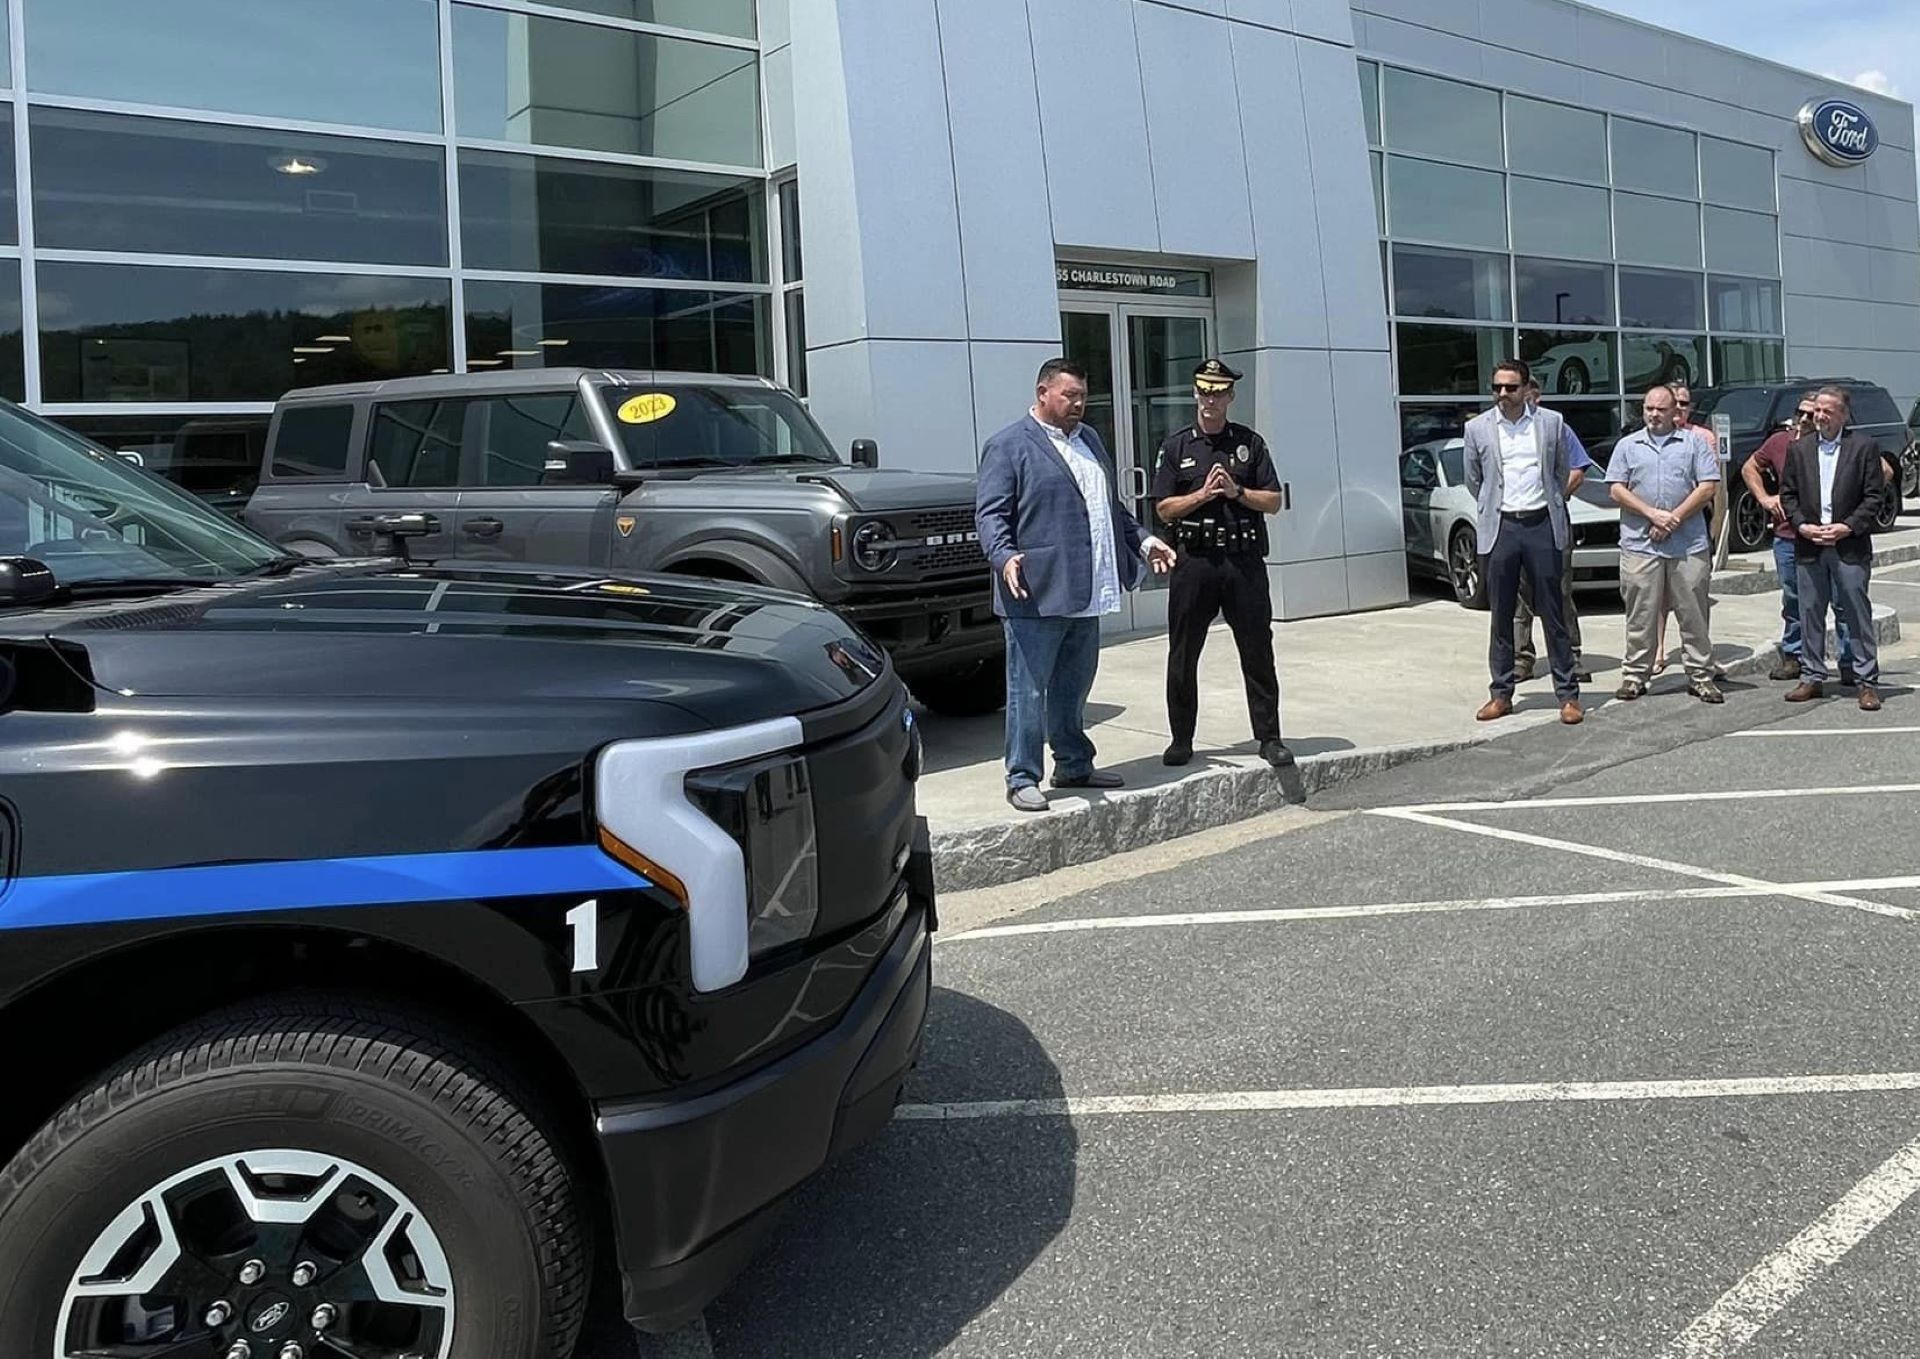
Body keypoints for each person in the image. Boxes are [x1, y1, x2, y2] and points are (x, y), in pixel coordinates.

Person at [975, 358, 1179, 812]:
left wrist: (1145, 543)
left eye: (1083, 395)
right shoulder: (1008, 446)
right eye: (1070, 395)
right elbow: (990, 515)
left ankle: (1073, 763)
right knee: (1027, 691)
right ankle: (1022, 776)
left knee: (1073, 686)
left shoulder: (1089, 441)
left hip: (1087, 590)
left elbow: (1112, 508)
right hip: (1036, 591)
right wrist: (1004, 556)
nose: (1079, 404)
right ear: (1043, 392)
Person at [1152, 359, 1290, 769]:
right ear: (1195, 393)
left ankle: (1269, 737)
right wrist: (1201, 495)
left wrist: (1235, 490)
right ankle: (1181, 739)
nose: (1211, 399)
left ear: (1230, 396)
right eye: (1204, 391)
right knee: (1183, 653)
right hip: (1195, 562)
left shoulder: (1250, 443)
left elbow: (1274, 501)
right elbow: (1163, 508)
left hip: (1242, 561)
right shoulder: (1176, 446)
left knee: (1257, 651)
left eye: (1219, 392)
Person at [1462, 359, 1584, 725]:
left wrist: (1551, 505)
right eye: (1497, 387)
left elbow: (1561, 472)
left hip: (1541, 524)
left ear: (1526, 388)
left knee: (1554, 613)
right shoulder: (1477, 428)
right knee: (1501, 615)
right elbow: (1475, 480)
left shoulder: (1551, 424)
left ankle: (1568, 695)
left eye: (1510, 388)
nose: (1503, 394)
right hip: (1502, 528)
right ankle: (1501, 693)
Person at [1608, 385, 1723, 702]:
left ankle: (1700, 675)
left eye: (1661, 409)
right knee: (1640, 613)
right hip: (1640, 544)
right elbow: (1616, 489)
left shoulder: (1694, 445)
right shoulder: (1628, 446)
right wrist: (1652, 515)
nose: (1654, 415)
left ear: (1676, 412)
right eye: (1649, 409)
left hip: (1687, 544)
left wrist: (1673, 518)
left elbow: (1708, 486)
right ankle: (1634, 676)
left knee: (1694, 612)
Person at [1780, 386, 1886, 710]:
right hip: (1809, 545)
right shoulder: (1799, 449)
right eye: (1816, 411)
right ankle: (1812, 676)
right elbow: (1788, 495)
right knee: (1810, 612)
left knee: (1855, 612)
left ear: (1843, 414)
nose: (1819, 416)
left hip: (1849, 545)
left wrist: (1847, 527)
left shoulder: (1863, 447)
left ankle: (1866, 681)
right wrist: (1801, 525)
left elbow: (1874, 497)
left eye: (1827, 411)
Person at [1742, 393, 1857, 683]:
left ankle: (1849, 663)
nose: (1807, 418)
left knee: (1841, 602)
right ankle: (1796, 658)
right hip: (1789, 537)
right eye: (1802, 413)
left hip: (1832, 538)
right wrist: (1765, 498)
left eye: (1814, 412)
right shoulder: (1781, 442)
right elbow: (1749, 467)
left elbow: (1881, 469)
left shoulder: (1844, 443)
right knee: (1795, 601)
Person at [1513, 378, 1595, 685]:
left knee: (1559, 593)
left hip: (1552, 524)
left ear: (1536, 397)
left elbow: (1579, 466)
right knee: (1518, 596)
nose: (1527, 406)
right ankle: (1522, 659)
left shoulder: (1556, 427)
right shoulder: (1503, 432)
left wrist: (1557, 496)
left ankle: (1571, 657)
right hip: (1515, 524)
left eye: (1531, 399)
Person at [1653, 383, 1728, 674]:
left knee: (1694, 595)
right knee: (1658, 596)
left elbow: (1707, 485)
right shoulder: (1647, 438)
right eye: (1677, 403)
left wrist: (1681, 518)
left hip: (1692, 524)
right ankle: (1657, 651)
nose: (1681, 409)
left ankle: (1697, 656)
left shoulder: (1702, 438)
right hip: (1657, 527)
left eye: (1685, 403)